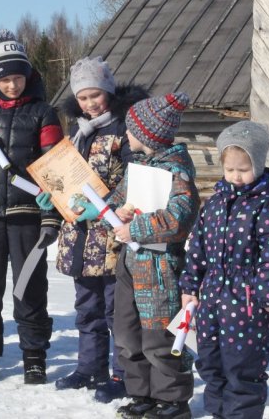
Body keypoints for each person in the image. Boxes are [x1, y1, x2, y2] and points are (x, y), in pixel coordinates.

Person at [36, 56, 148, 403]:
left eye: (95, 95)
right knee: (87, 308)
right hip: (80, 237)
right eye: (82, 97)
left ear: (109, 91)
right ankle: (89, 367)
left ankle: (122, 373)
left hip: (112, 238)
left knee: (117, 311)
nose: (89, 103)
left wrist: (105, 206)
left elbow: (135, 180)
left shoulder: (124, 130)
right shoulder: (77, 133)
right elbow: (66, 179)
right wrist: (51, 196)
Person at [0, 29, 64, 385]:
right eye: (4, 78)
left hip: (27, 215)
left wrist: (51, 217)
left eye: (18, 77)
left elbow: (56, 170)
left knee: (29, 287)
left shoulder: (43, 114)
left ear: (27, 76)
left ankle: (34, 355)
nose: (12, 84)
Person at [86, 92, 200, 419]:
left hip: (159, 269)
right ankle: (141, 394)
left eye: (131, 130)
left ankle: (172, 401)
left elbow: (179, 218)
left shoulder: (177, 172)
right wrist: (115, 212)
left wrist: (135, 228)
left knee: (159, 336)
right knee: (127, 332)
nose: (126, 134)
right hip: (129, 265)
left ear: (148, 135)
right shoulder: (137, 166)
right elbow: (116, 201)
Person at [179, 121, 269, 419]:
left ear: (258, 164)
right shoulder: (214, 205)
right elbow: (197, 249)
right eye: (229, 169)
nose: (236, 176)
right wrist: (190, 286)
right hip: (211, 302)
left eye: (243, 169)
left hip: (248, 307)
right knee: (211, 367)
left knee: (242, 372)